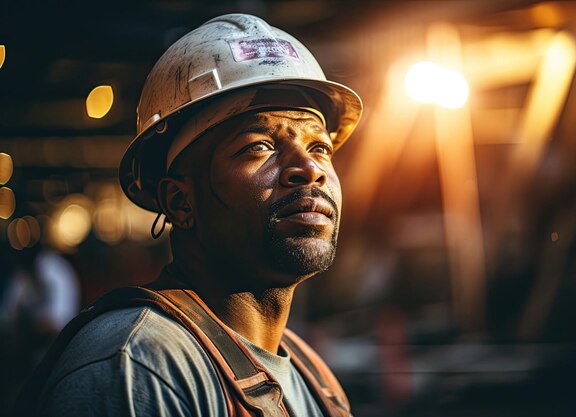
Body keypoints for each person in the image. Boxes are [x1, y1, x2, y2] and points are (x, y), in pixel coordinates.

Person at [18, 13, 362, 417]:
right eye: (259, 146)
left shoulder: (314, 377)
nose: (310, 168)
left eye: (320, 147)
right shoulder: (138, 367)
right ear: (181, 202)